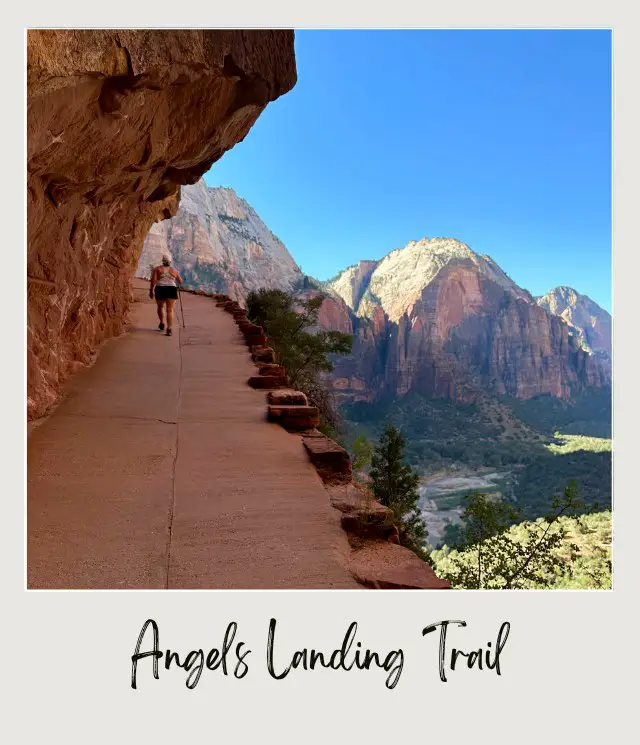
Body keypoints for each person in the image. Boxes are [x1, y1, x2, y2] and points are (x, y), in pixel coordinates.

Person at [149, 255, 183, 336]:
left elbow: (153, 280)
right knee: (170, 310)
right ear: (170, 261)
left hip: (160, 288)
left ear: (162, 261)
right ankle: (169, 329)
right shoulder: (174, 270)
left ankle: (162, 323)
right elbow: (180, 281)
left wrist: (151, 290)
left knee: (160, 307)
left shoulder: (157, 269)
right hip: (171, 289)